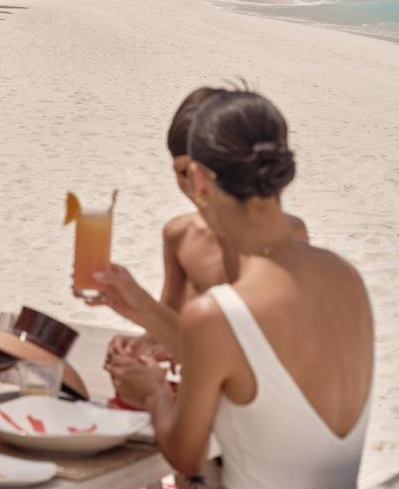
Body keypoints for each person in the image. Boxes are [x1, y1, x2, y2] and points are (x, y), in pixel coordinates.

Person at [2, 90, 371, 489]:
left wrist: (155, 394)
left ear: (199, 178)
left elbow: (184, 452)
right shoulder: (346, 278)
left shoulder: (220, 312)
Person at [96, 86, 307, 360]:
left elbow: (265, 346)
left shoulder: (288, 236)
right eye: (180, 173)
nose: (190, 185)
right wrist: (142, 342)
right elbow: (167, 320)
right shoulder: (179, 234)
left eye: (191, 172)